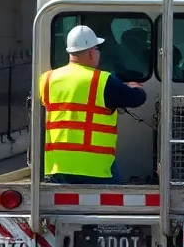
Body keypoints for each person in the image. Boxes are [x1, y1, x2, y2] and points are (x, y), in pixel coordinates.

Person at [40, 24, 147, 185]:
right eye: (97, 49)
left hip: (57, 166)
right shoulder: (103, 81)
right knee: (108, 208)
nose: (98, 53)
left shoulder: (46, 79)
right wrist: (135, 88)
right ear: (91, 53)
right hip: (95, 168)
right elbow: (136, 99)